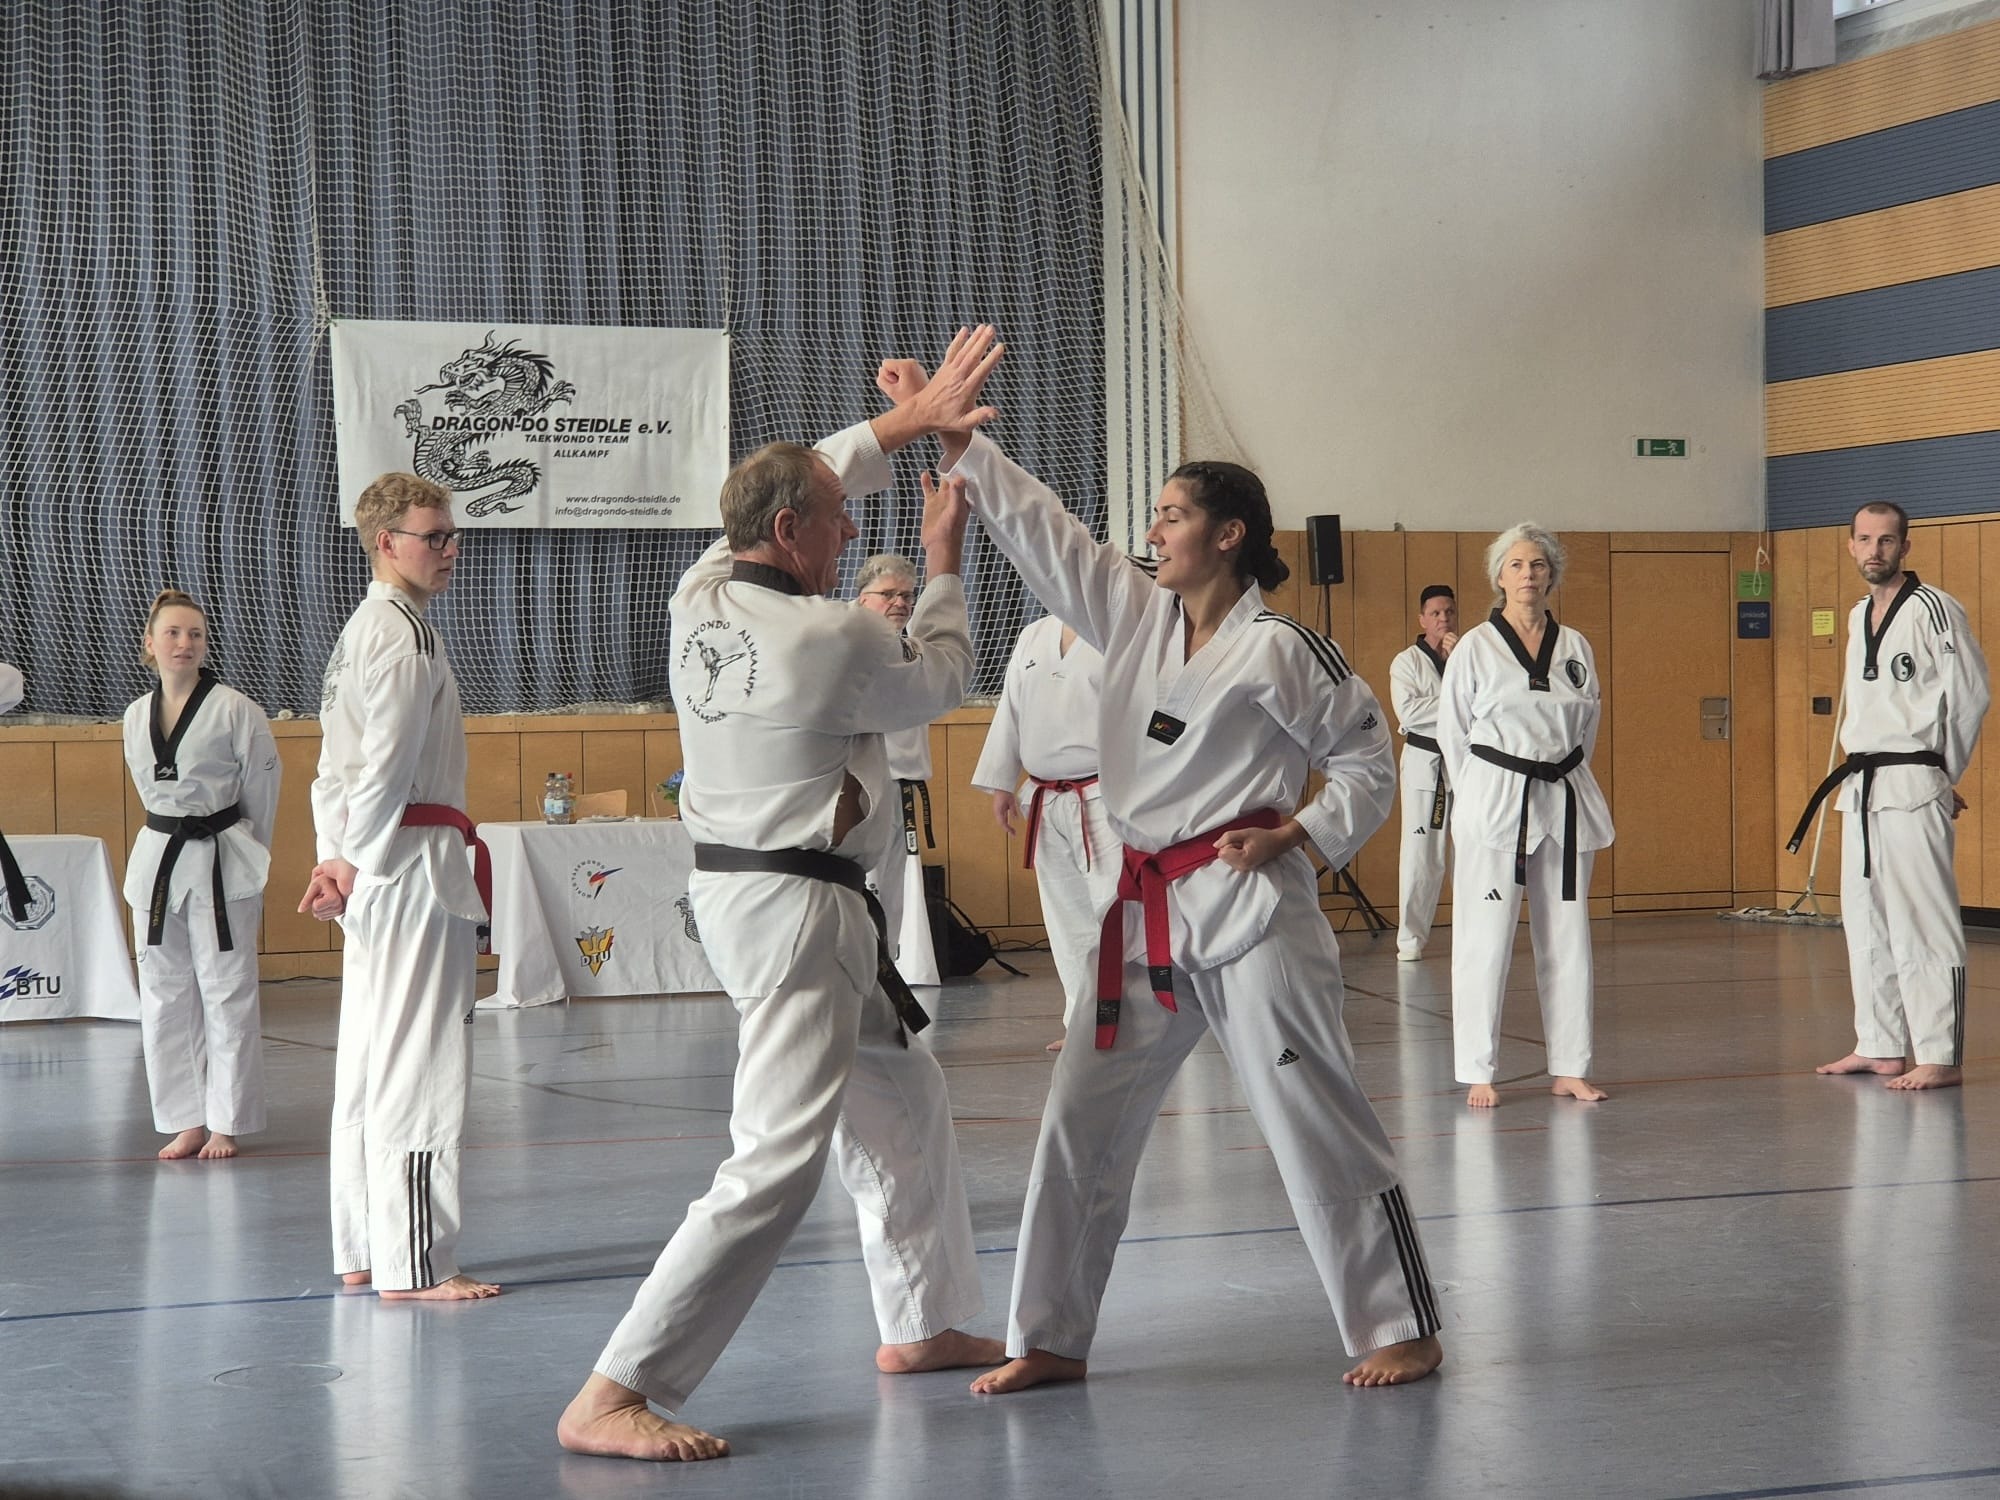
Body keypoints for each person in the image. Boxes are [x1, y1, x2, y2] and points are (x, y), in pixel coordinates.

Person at [923, 336, 1442, 1396]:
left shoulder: (1281, 648)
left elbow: (1365, 759)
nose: (1152, 531)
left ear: (1227, 534)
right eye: (1154, 516)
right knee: (1080, 1120)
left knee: (1310, 1109)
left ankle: (1399, 1323)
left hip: (1250, 903)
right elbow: (1052, 539)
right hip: (1142, 906)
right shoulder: (1131, 613)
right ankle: (1049, 1335)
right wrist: (965, 450)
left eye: (1171, 515)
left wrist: (1301, 835)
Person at [557, 329, 1006, 1465]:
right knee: (774, 1159)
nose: (853, 533)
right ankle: (618, 1387)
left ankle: (926, 1318)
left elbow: (806, 474)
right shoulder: (832, 634)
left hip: (765, 895)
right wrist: (942, 557)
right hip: (798, 912)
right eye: (840, 521)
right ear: (792, 532)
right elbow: (942, 681)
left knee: (903, 1099)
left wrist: (900, 426)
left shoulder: (700, 592)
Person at [300, 473, 498, 1302]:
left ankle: (363, 1245)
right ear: (387, 542)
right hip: (410, 867)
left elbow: (332, 771)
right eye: (434, 537)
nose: (450, 550)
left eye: (452, 536)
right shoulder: (405, 636)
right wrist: (350, 861)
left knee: (368, 1060)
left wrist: (335, 858)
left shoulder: (362, 630)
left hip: (378, 864)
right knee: (419, 1062)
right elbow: (380, 768)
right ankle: (416, 1263)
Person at [1794, 501, 1989, 1091]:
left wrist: (1943, 771)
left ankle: (1940, 1053)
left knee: (1924, 923)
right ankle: (1879, 1044)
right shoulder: (1857, 615)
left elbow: (1970, 694)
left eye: (1885, 540)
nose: (1874, 550)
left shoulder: (1933, 608)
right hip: (1861, 786)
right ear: (1850, 545)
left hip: (1913, 781)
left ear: (1905, 546)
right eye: (1864, 539)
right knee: (1866, 921)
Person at [1439, 524, 1612, 1109]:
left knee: (1568, 936)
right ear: (1499, 576)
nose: (1528, 574)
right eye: (1516, 564)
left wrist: (1557, 773)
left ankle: (1570, 1067)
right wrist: (1476, 798)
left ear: (1552, 574)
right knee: (1484, 937)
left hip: (1562, 796)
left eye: (1538, 564)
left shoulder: (1575, 646)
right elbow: (1454, 734)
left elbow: (1588, 726)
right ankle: (1478, 1069)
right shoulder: (1475, 647)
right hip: (1494, 801)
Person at [121, 589, 280, 1161]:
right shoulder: (134, 715)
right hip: (157, 860)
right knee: (163, 994)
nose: (184, 643)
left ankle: (226, 1123)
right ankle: (184, 1119)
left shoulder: (237, 709)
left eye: (195, 634)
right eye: (173, 633)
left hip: (221, 859)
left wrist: (248, 850)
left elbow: (262, 791)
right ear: (150, 643)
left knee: (227, 988)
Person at [971, 614, 1114, 1050]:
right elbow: (1011, 709)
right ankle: (1081, 1022)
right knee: (1066, 917)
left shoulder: (1119, 627)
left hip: (1106, 796)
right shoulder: (1033, 634)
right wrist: (1001, 782)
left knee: (1114, 911)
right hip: (1044, 796)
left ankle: (1125, 1019)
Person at [853, 552, 943, 987]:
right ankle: (856, 976)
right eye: (888, 594)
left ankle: (884, 979)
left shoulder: (915, 650)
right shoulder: (846, 645)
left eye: (907, 595)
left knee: (892, 891)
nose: (900, 603)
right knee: (857, 886)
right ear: (861, 598)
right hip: (854, 787)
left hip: (900, 785)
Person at [1389, 584, 1459, 962]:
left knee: (1469, 851)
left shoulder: (1468, 657)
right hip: (1425, 763)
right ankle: (1410, 940)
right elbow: (1409, 713)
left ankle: (1472, 933)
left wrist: (1459, 666)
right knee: (1422, 856)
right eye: (1435, 613)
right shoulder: (1406, 662)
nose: (1443, 619)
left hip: (1463, 763)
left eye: (1449, 612)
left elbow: (1484, 702)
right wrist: (1457, 695)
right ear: (1422, 619)